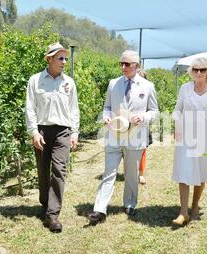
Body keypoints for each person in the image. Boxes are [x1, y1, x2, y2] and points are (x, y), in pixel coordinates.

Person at [88, 50, 159, 225]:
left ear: (137, 65)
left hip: (135, 136)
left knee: (131, 173)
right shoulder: (113, 84)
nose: (123, 67)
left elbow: (155, 111)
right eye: (121, 63)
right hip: (114, 135)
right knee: (109, 172)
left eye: (127, 64)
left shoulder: (147, 86)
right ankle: (99, 209)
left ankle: (129, 203)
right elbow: (107, 107)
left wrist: (143, 118)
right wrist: (105, 116)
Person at [25, 42, 79, 233]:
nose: (64, 61)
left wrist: (74, 133)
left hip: (63, 131)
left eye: (65, 58)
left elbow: (74, 109)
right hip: (42, 131)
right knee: (43, 170)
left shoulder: (69, 82)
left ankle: (53, 215)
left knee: (59, 170)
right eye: (60, 58)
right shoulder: (35, 80)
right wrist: (34, 132)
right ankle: (45, 205)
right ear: (49, 59)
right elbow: (30, 108)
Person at [171, 57, 207, 226]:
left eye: (203, 70)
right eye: (196, 69)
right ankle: (183, 212)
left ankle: (195, 205)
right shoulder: (185, 88)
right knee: (184, 170)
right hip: (186, 135)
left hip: (206, 136)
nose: (199, 73)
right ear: (191, 71)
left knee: (202, 171)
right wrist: (177, 126)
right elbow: (177, 110)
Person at [136, 69, 153, 185]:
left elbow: (152, 110)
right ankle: (131, 172)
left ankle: (141, 174)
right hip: (128, 125)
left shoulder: (148, 91)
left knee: (142, 150)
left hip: (142, 126)